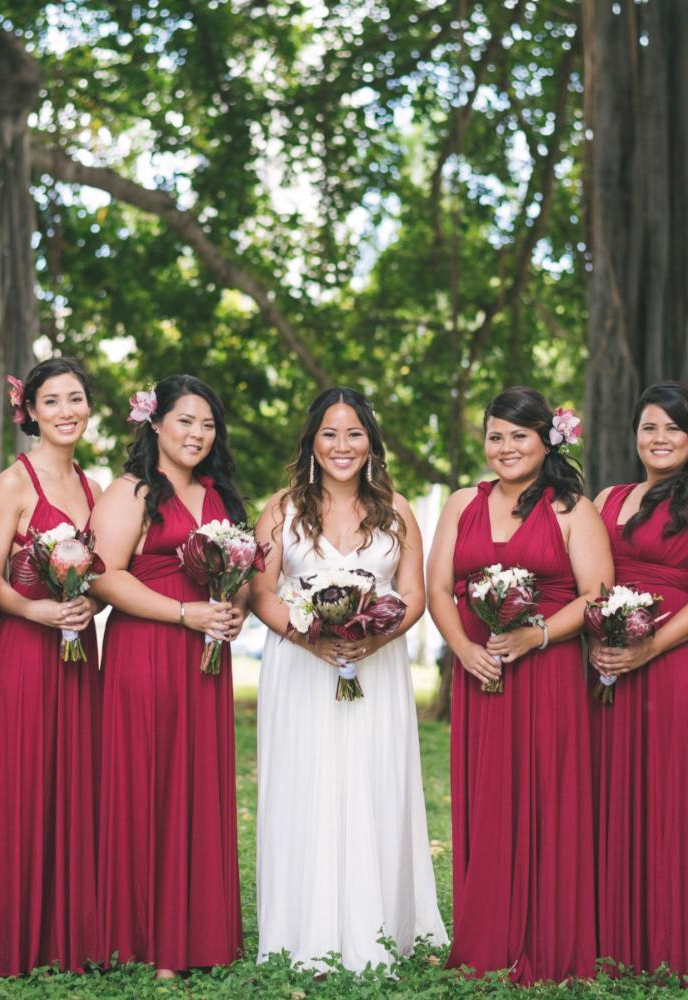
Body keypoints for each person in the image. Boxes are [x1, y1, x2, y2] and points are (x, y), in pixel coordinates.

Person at [252, 386, 447, 973]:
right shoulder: (281, 509)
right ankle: (302, 925)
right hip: (301, 667)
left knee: (373, 778)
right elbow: (261, 592)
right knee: (304, 780)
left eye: (354, 433)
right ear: (312, 441)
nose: (342, 445)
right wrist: (310, 638)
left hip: (376, 665)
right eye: (330, 433)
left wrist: (374, 639)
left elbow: (412, 595)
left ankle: (379, 924)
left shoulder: (397, 509)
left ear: (371, 442)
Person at [427, 386, 610, 983]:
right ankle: (488, 933)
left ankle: (548, 934)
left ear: (546, 441)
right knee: (487, 795)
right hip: (480, 671)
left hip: (548, 673)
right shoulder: (462, 503)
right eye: (495, 436)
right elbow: (437, 588)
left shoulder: (572, 509)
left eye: (519, 436)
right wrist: (463, 650)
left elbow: (598, 594)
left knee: (547, 794)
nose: (505, 447)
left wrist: (539, 635)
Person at [589, 382, 688, 982]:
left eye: (672, 428)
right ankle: (615, 936)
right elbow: (588, 580)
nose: (659, 439)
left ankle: (680, 938)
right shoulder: (607, 498)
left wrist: (649, 647)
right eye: (649, 427)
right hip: (610, 664)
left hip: (680, 669)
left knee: (679, 799)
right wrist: (598, 639)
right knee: (614, 790)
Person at [90, 375, 244, 978]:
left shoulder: (220, 496)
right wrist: (185, 612)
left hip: (206, 658)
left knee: (197, 783)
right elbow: (105, 575)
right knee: (148, 782)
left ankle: (201, 931)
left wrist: (232, 608)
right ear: (155, 423)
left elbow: (241, 572)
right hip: (147, 652)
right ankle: (143, 937)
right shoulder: (130, 491)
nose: (197, 434)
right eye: (185, 420)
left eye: (207, 424)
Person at [0, 358, 104, 974]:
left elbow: (106, 575)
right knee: (25, 784)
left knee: (76, 783)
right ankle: (17, 939)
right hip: (27, 654)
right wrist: (37, 611)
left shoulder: (96, 490)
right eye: (51, 401)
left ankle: (71, 934)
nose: (66, 411)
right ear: (29, 411)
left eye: (75, 398)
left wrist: (89, 604)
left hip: (80, 654)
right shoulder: (14, 482)